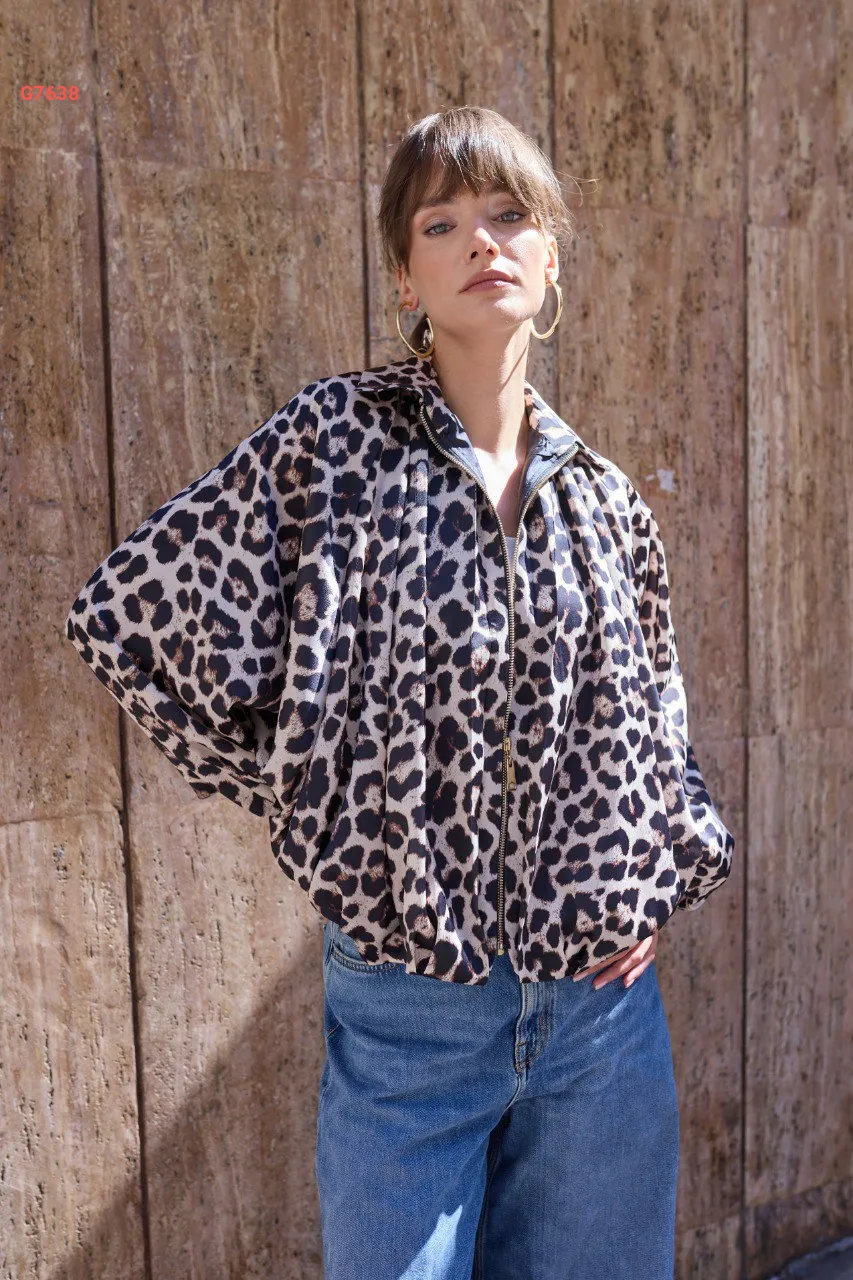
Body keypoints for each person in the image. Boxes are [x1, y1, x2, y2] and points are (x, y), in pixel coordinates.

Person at [65, 106, 735, 1278]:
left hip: (600, 1021)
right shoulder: (334, 443)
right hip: (411, 1016)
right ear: (405, 277)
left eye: (509, 215)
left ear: (551, 254)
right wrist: (312, 804)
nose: (481, 240)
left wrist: (650, 879)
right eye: (443, 222)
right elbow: (129, 621)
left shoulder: (606, 501)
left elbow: (652, 726)